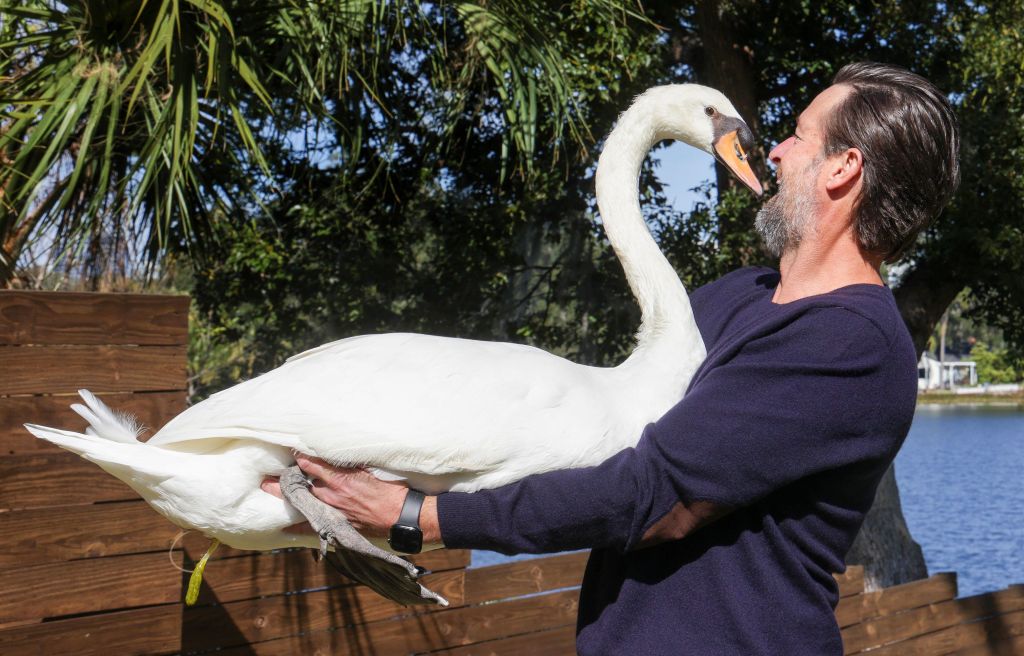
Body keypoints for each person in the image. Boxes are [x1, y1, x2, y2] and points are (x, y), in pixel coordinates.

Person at [263, 62, 960, 655]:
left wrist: (420, 515)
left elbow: (651, 496)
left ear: (844, 168)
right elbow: (596, 426)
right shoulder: (735, 299)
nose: (775, 152)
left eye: (798, 137)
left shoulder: (851, 344)